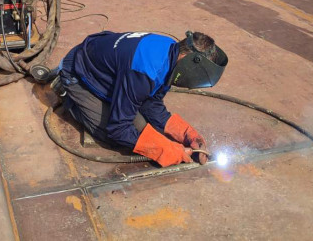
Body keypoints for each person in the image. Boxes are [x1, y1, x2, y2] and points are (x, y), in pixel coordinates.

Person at [48, 30, 227, 166]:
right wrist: (166, 150)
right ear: (189, 59)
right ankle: (67, 92)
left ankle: (106, 93)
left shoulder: (170, 52)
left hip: (103, 63)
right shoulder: (145, 69)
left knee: (142, 127)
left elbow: (152, 105)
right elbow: (118, 128)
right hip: (77, 72)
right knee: (114, 136)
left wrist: (187, 134)